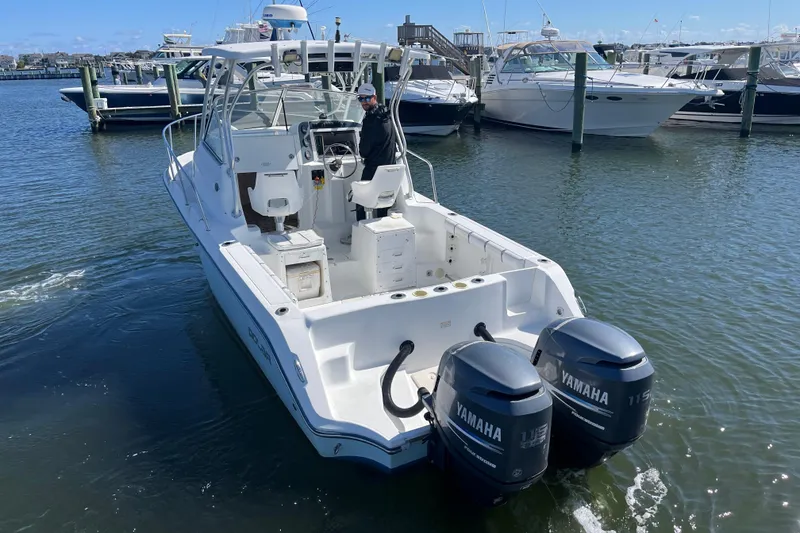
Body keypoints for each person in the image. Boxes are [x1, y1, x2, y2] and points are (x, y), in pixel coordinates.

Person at [341, 82, 397, 244]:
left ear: (374, 97)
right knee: (382, 202)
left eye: (367, 98)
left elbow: (364, 151)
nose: (364, 102)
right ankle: (382, 234)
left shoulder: (371, 120)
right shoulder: (386, 114)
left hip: (374, 168)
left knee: (359, 196)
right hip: (390, 168)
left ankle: (359, 235)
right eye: (361, 98)